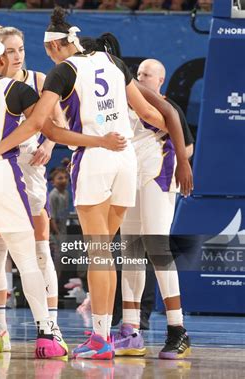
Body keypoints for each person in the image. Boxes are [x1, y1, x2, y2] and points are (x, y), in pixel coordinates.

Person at [0, 8, 165, 360]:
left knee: (98, 253)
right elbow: (151, 114)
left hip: (95, 160)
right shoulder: (114, 61)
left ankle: (100, 339)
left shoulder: (62, 71)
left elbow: (42, 126)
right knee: (107, 251)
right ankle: (102, 335)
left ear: (55, 47)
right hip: (127, 160)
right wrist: (171, 143)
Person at [0, 36, 127, 359]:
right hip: (1, 173)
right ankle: (46, 334)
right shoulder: (17, 90)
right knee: (27, 258)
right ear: (0, 62)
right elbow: (51, 132)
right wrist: (98, 141)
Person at [0, 23, 65, 352]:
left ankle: (51, 327)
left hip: (29, 167)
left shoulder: (38, 80)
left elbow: (57, 124)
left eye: (21, 49)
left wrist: (46, 144)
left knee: (40, 251)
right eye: (10, 50)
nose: (17, 56)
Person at [114, 58, 194, 360]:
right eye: (138, 73)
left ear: (160, 80)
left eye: (146, 74)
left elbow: (186, 144)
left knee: (157, 246)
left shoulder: (167, 106)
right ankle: (131, 329)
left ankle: (178, 329)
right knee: (130, 249)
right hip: (131, 175)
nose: (140, 77)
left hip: (159, 171)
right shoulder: (124, 104)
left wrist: (184, 165)